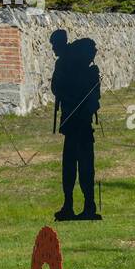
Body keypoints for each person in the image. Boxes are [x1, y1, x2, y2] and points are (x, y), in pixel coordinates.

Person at [53, 37, 101, 221]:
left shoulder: (88, 70)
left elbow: (94, 97)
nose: (94, 54)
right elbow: (57, 88)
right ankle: (71, 204)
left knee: (83, 167)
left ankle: (87, 205)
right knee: (72, 167)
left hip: (80, 124)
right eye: (92, 51)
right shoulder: (71, 68)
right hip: (75, 124)